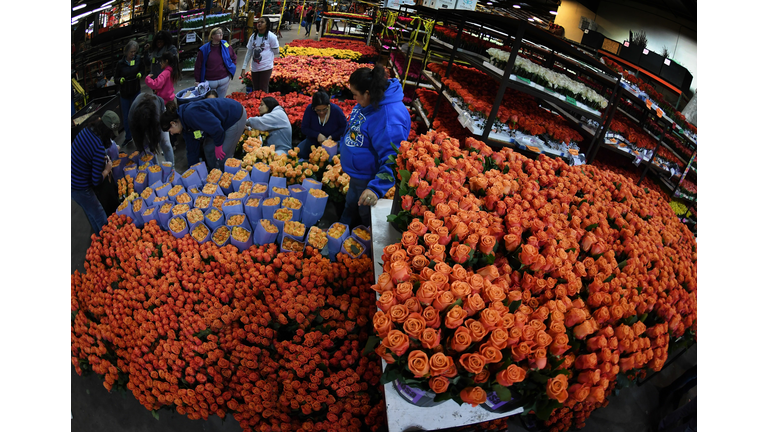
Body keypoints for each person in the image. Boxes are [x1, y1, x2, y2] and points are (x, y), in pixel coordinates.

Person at [339, 65, 410, 228]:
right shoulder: (369, 103)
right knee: (351, 205)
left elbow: (393, 159)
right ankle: (342, 230)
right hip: (358, 175)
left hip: (368, 178)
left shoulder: (389, 119)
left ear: (368, 93)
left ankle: (364, 241)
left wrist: (375, 189)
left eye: (356, 95)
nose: (354, 99)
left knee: (365, 215)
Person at [160, 98, 247, 171]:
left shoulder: (190, 114)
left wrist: (218, 145)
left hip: (234, 117)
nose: (171, 133)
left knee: (223, 155)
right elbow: (192, 150)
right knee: (208, 148)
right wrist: (191, 169)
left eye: (170, 131)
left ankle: (228, 179)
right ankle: (215, 173)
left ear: (173, 123)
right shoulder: (185, 128)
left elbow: (216, 127)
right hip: (219, 125)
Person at [72, 111, 119, 234]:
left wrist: (96, 160)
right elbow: (96, 180)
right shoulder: (98, 146)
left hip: (72, 178)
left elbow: (85, 154)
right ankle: (106, 242)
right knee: (99, 214)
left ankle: (98, 238)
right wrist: (107, 170)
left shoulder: (87, 130)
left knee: (90, 212)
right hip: (80, 186)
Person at [129, 92, 176, 168]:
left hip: (157, 111)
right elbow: (138, 142)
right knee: (146, 150)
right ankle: (154, 168)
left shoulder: (155, 114)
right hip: (139, 121)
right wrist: (146, 149)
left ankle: (171, 168)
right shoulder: (132, 118)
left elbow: (156, 132)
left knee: (165, 142)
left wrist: (153, 147)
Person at [298, 90, 347, 159]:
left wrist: (332, 137)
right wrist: (317, 135)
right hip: (314, 140)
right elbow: (304, 128)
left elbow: (344, 127)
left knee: (337, 156)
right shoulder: (310, 110)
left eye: (325, 109)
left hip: (333, 142)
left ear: (328, 106)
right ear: (314, 107)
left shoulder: (336, 110)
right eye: (318, 110)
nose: (321, 112)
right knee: (301, 153)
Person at [113, 40, 144, 148]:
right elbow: (115, 78)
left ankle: (141, 135)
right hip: (125, 94)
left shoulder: (138, 59)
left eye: (134, 52)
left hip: (135, 91)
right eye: (131, 52)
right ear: (126, 52)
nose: (133, 54)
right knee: (126, 117)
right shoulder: (120, 64)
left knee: (138, 113)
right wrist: (119, 80)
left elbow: (142, 69)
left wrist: (141, 73)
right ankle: (128, 137)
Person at [194, 27, 237, 98]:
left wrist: (232, 66)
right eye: (219, 33)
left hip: (224, 79)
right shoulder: (204, 49)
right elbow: (198, 66)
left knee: (220, 100)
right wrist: (197, 80)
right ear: (212, 36)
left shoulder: (225, 44)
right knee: (211, 102)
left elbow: (233, 55)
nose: (221, 34)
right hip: (210, 82)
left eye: (222, 33)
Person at [240, 17, 280, 94]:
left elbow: (276, 51)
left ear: (267, 24)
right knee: (255, 89)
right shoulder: (253, 37)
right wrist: (243, 67)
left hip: (266, 67)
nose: (259, 24)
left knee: (263, 89)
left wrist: (266, 56)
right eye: (258, 22)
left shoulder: (271, 37)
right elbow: (249, 52)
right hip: (255, 67)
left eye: (262, 22)